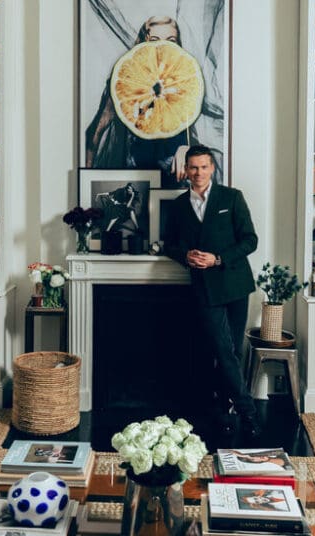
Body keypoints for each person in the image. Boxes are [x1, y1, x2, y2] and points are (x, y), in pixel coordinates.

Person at [163, 145, 259, 438]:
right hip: (204, 288)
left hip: (235, 284)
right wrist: (186, 256)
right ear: (186, 171)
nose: (198, 173)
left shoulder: (232, 197)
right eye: (193, 167)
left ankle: (224, 407)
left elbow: (250, 240)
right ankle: (248, 411)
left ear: (212, 168)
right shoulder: (179, 205)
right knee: (222, 349)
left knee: (231, 351)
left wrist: (218, 258)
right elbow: (169, 244)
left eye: (204, 167)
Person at [83, 15, 223, 188]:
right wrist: (85, 184)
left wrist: (188, 151)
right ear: (143, 44)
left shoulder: (186, 82)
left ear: (178, 46)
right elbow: (93, 134)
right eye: (154, 40)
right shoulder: (126, 84)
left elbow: (195, 136)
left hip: (175, 182)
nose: (161, 47)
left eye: (170, 41)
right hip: (138, 178)